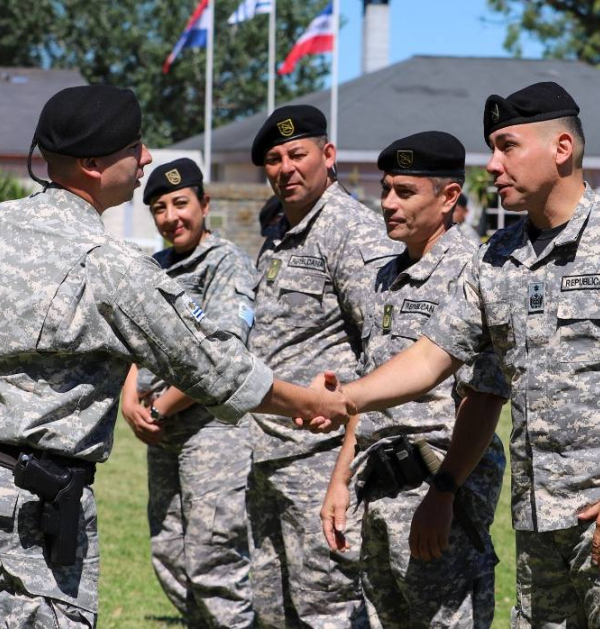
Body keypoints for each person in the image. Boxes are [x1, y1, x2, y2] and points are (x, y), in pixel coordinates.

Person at [0, 85, 353, 628]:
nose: (147, 158)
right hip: (30, 505)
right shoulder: (108, 263)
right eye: (134, 147)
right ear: (91, 165)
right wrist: (311, 400)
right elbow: (214, 367)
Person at [299, 82, 600, 628]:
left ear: (561, 149)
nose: (490, 165)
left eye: (507, 146)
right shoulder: (497, 258)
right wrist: (344, 397)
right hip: (540, 525)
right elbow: (429, 357)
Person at [318, 131, 509, 628]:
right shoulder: (384, 276)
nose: (387, 204)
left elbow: (482, 399)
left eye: (405, 192)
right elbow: (367, 389)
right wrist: (341, 479)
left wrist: (443, 494)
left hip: (435, 489)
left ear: (448, 198)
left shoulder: (474, 274)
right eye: (385, 190)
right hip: (377, 487)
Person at [246, 104, 401, 627]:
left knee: (327, 609)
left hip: (320, 457)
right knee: (272, 609)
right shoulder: (277, 235)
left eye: (297, 153)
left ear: (327, 156)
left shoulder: (351, 230)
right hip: (266, 454)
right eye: (274, 158)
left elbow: (386, 346)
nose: (286, 167)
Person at [120, 157, 258, 627]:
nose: (171, 217)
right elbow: (132, 343)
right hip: (162, 433)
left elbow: (221, 358)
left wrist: (156, 406)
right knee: (169, 553)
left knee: (212, 557)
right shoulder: (153, 268)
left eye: (181, 203)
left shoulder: (225, 264)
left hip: (212, 431)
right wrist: (128, 400)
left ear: (204, 203)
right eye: (159, 208)